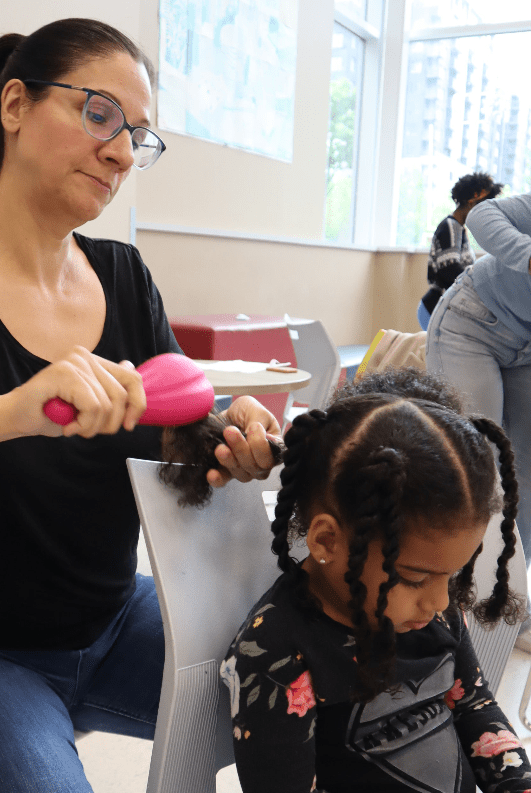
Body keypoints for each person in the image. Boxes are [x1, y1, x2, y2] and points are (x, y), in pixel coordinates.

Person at [0, 19, 281, 793]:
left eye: (137, 135)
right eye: (99, 113)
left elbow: (172, 430)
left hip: (112, 625)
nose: (120, 151)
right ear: (14, 104)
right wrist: (10, 410)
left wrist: (230, 431)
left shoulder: (125, 275)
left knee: (323, 682)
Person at [221, 368, 529, 793]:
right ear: (328, 539)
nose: (439, 602)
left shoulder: (424, 614)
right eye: (415, 577)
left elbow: (474, 705)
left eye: (450, 576)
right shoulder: (275, 649)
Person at [426, 192, 531, 586]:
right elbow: (483, 214)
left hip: (525, 350)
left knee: (524, 475)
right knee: (478, 458)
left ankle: (506, 598)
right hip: (470, 328)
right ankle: (450, 588)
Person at [418, 172, 503, 330]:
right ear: (473, 199)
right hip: (435, 306)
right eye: (484, 204)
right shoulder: (451, 226)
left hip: (440, 305)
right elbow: (449, 270)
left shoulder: (458, 229)